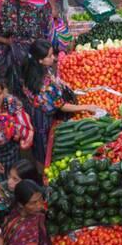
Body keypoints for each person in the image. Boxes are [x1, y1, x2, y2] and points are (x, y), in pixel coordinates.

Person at [22, 39, 101, 171]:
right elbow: (61, 105)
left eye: (52, 54)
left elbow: (53, 78)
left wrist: (62, 83)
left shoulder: (34, 68)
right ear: (40, 60)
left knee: (41, 146)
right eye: (49, 56)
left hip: (35, 109)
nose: (53, 58)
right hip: (42, 117)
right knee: (43, 149)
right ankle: (42, 175)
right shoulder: (43, 85)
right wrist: (87, 107)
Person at [0, 179, 69, 245]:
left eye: (40, 199)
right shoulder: (23, 232)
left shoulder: (30, 213)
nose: (39, 205)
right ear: (21, 205)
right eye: (33, 203)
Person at [0, 159, 40, 226]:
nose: (9, 181)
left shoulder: (35, 190)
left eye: (15, 179)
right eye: (9, 176)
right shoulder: (0, 193)